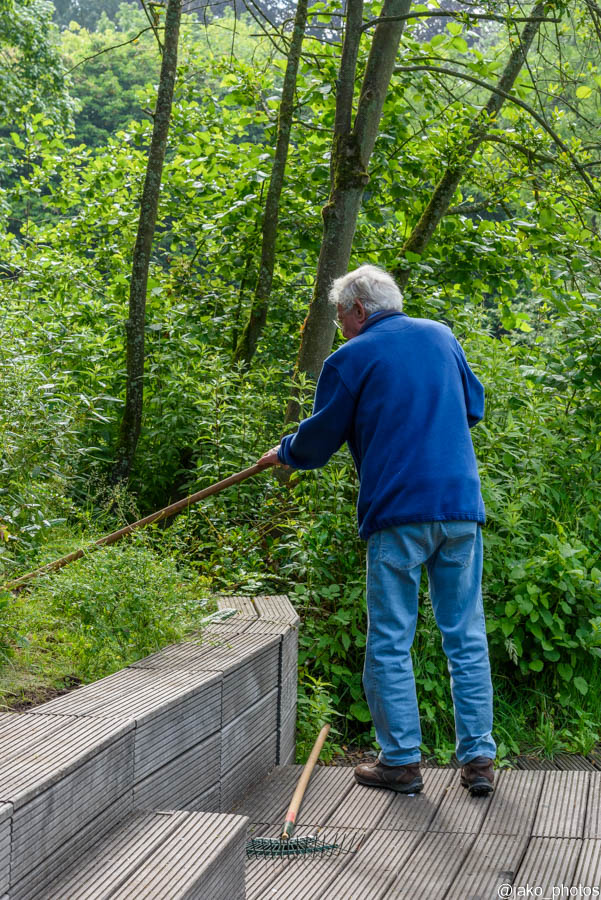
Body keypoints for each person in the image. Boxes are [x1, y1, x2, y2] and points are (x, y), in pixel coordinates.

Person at [258, 264, 496, 796]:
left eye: (341, 315)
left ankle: (401, 762)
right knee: (466, 636)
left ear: (359, 309)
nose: (340, 326)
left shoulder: (351, 357)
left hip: (397, 513)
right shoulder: (441, 336)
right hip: (460, 508)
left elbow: (318, 442)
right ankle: (479, 761)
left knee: (391, 639)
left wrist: (287, 452)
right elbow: (472, 408)